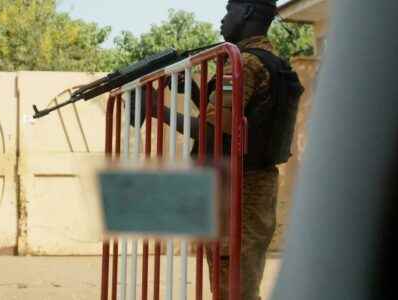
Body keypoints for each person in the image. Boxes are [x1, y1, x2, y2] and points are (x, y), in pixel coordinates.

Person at [130, 1, 303, 299]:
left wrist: (158, 110)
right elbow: (234, 125)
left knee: (233, 290)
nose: (223, 20)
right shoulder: (268, 60)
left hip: (241, 192)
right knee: (238, 288)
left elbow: (211, 132)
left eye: (229, 10)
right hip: (253, 187)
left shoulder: (243, 64)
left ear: (247, 12)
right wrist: (197, 93)